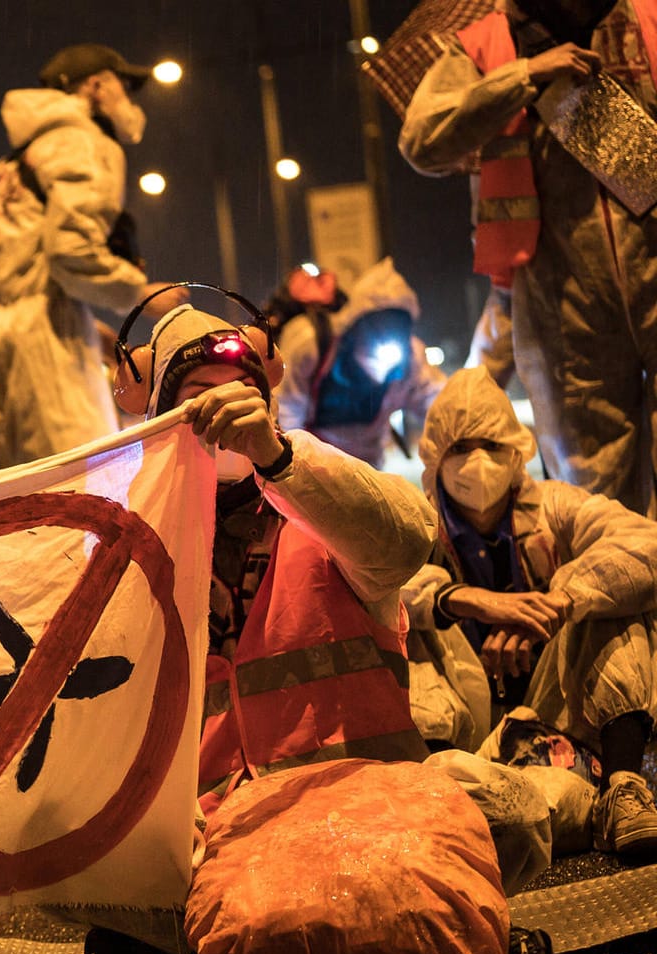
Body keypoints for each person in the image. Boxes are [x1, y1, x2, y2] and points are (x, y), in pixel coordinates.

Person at [111, 303, 436, 815]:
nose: (226, 412)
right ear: (157, 422)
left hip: (369, 816)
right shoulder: (130, 551)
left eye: (243, 394)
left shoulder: (323, 511)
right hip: (212, 841)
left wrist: (280, 459)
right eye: (198, 400)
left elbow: (408, 542)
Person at [400, 0, 657, 512]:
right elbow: (422, 139)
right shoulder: (488, 41)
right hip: (561, 297)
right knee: (593, 495)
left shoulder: (648, 16)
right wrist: (524, 76)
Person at [402, 368, 657, 859]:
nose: (476, 461)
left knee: (607, 595)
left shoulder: (555, 507)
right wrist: (460, 598)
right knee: (404, 624)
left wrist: (562, 601)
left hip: (559, 716)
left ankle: (624, 789)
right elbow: (374, 578)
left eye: (491, 444)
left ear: (517, 452)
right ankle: (435, 803)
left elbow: (644, 545)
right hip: (469, 734)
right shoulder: (417, 520)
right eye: (460, 447)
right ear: (435, 458)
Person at [0, 43, 188, 474]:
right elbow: (71, 251)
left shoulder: (1, 168)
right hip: (34, 346)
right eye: (122, 86)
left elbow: (8, 275)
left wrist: (83, 324)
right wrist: (138, 293)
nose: (128, 100)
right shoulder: (83, 142)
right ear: (95, 87)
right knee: (78, 488)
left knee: (2, 504)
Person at [272, 258, 444, 468]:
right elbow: (287, 412)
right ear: (355, 325)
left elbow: (440, 406)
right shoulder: (311, 342)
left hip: (370, 468)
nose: (387, 335)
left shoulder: (410, 359)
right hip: (313, 466)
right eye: (378, 325)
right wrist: (295, 472)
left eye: (397, 327)